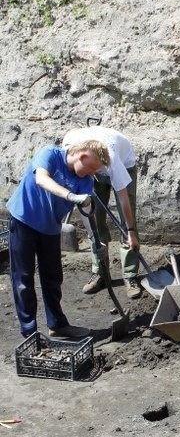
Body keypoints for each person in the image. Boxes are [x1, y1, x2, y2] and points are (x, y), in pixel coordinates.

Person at [6, 141, 110, 339]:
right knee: (23, 279)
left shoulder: (86, 180)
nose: (91, 174)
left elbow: (86, 210)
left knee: (53, 278)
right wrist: (71, 196)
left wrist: (94, 239)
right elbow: (41, 180)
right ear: (83, 156)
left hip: (51, 228)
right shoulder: (50, 154)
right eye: (91, 168)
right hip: (23, 220)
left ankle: (57, 325)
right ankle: (29, 333)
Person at [62, 126, 142, 299]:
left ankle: (130, 275)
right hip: (93, 167)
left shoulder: (113, 160)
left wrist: (131, 232)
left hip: (124, 165)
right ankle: (100, 273)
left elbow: (124, 199)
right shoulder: (69, 145)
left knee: (126, 221)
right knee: (95, 220)